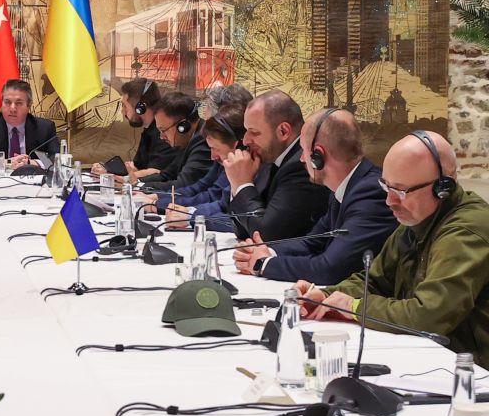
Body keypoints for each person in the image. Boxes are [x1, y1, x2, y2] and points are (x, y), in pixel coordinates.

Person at [298, 131, 489, 367]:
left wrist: (353, 306)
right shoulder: (418, 218)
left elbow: (427, 316)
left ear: (443, 187)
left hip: (473, 379)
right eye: (386, 186)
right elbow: (375, 280)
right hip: (432, 360)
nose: (389, 201)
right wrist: (326, 296)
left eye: (400, 191)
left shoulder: (465, 233)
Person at [233, 108, 395, 284]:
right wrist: (263, 251)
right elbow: (312, 242)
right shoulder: (346, 188)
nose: (302, 159)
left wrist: (264, 264)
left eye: (303, 150)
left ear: (318, 155)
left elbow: (330, 269)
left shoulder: (371, 194)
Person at [223, 90, 330, 241]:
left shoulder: (302, 165)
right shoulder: (269, 157)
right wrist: (237, 186)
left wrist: (242, 183)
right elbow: (243, 230)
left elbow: (265, 235)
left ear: (283, 131)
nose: (245, 140)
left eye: (254, 132)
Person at [150, 104, 247, 232]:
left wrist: (191, 216)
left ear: (237, 145)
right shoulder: (225, 160)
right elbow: (214, 197)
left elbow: (238, 221)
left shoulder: (254, 167)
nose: (212, 157)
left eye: (215, 148)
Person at [0, 79, 59, 171]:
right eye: (7, 102)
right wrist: (7, 163)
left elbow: (57, 160)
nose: (12, 108)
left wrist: (33, 163)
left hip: (32, 181)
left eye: (18, 103)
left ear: (29, 105)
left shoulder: (44, 128)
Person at [92, 78, 175, 179]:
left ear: (140, 108)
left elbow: (156, 171)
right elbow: (138, 166)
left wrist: (117, 178)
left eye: (124, 106)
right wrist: (107, 169)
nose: (122, 112)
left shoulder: (164, 133)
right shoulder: (148, 131)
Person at [138, 92, 213, 189]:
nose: (161, 137)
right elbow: (166, 176)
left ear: (183, 126)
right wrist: (135, 183)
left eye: (164, 130)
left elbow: (182, 185)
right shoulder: (187, 139)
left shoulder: (204, 141)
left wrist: (138, 187)